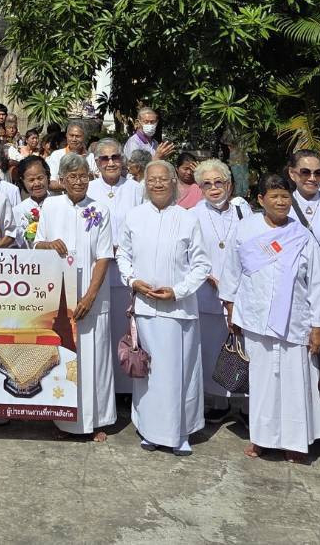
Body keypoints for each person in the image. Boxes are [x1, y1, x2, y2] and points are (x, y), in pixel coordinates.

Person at [220, 172, 320, 462]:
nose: (281, 202)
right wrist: (231, 309)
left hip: (295, 321)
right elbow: (232, 272)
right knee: (262, 383)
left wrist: (319, 327)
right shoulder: (246, 229)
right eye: (275, 196)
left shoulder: (301, 236)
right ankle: (261, 439)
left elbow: (318, 284)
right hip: (256, 318)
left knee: (295, 382)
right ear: (261, 200)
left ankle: (294, 442)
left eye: (285, 196)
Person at [118, 159, 211, 453]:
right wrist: (133, 281)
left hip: (179, 311)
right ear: (146, 184)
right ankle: (149, 428)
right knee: (149, 373)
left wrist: (178, 291)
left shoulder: (187, 218)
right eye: (152, 179)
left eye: (163, 179)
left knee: (179, 374)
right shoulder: (134, 217)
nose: (158, 183)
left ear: (174, 183)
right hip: (145, 309)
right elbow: (124, 256)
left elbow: (201, 264)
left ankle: (179, 433)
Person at [34, 152, 115, 441]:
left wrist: (90, 296)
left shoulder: (101, 210)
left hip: (92, 296)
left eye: (83, 176)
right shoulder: (51, 206)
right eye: (72, 177)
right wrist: (47, 244)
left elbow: (105, 256)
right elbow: (36, 245)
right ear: (63, 181)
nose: (78, 181)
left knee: (95, 360)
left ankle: (97, 421)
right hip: (60, 297)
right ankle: (64, 421)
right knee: (66, 356)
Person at [189, 158, 249, 420]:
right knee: (213, 348)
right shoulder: (192, 215)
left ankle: (247, 407)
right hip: (207, 292)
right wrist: (210, 277)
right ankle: (219, 403)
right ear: (200, 188)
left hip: (241, 293)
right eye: (207, 184)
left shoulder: (243, 211)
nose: (214, 188)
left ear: (229, 183)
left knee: (244, 349)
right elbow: (188, 254)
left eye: (219, 182)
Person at [87, 137, 146, 395]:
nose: (110, 162)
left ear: (123, 160)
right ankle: (104, 388)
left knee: (127, 326)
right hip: (97, 270)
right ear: (97, 163)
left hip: (127, 270)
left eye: (115, 157)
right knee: (102, 331)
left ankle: (127, 388)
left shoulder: (136, 188)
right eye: (104, 158)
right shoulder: (88, 189)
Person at [13, 155, 52, 247]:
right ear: (23, 181)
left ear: (47, 176)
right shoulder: (17, 211)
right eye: (31, 180)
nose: (37, 183)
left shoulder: (59, 204)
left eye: (40, 178)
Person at [46, 121, 88, 189]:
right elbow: (51, 182)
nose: (74, 139)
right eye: (71, 135)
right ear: (66, 136)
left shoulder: (90, 156)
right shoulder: (56, 155)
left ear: (83, 137)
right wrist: (71, 188)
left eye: (77, 136)